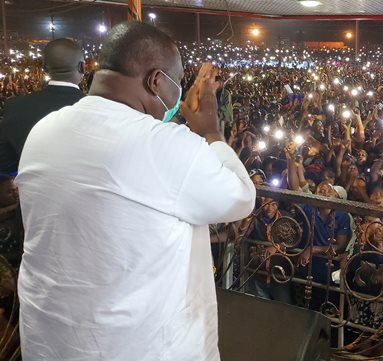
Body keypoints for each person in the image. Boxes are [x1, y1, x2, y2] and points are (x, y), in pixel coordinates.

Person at [16, 22, 255, 361]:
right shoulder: (163, 146)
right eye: (178, 83)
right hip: (139, 347)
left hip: (51, 342)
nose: (178, 98)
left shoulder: (45, 129)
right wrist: (211, 132)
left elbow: (143, 157)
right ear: (156, 80)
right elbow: (241, 197)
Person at [0, 38, 85, 174]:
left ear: (44, 68)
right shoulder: (98, 109)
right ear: (82, 67)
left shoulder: (15, 107)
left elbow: (4, 164)